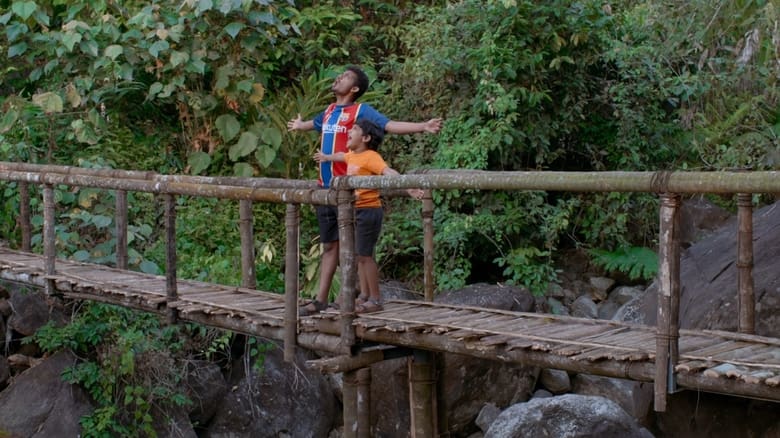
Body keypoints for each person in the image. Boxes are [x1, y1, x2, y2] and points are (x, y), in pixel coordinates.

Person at [288, 65, 441, 315]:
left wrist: (422, 126)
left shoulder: (361, 112)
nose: (339, 77)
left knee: (357, 249)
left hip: (351, 194)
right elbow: (314, 125)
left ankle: (357, 297)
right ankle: (321, 300)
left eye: (346, 77)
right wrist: (299, 124)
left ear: (355, 88)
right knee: (330, 246)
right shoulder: (329, 111)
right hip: (325, 188)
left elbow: (389, 125)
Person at [313, 119, 423, 313]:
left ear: (365, 138)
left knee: (365, 256)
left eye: (355, 129)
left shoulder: (371, 157)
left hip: (369, 210)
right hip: (356, 210)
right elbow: (341, 156)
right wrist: (326, 157)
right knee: (359, 255)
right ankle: (363, 296)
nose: (349, 131)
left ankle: (375, 299)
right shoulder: (352, 156)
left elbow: (387, 171)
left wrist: (408, 187)